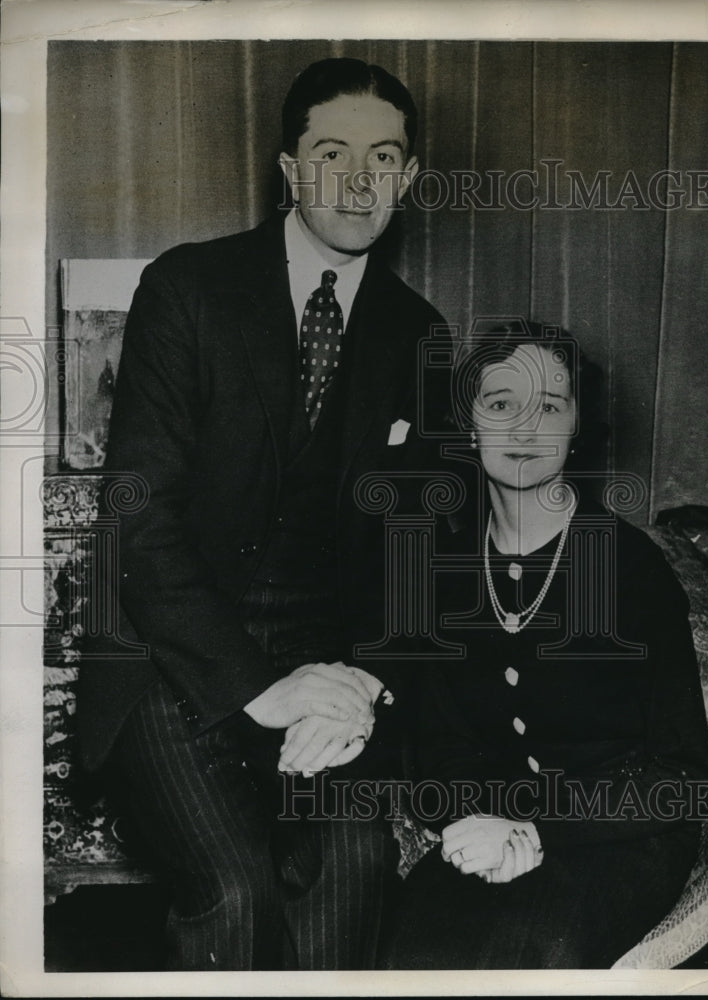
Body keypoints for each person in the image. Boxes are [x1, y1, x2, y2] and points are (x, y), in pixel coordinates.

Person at [77, 57, 445, 971]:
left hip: (324, 671)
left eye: (385, 158)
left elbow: (413, 555)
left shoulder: (419, 334)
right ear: (289, 170)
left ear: (406, 176)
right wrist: (256, 687)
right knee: (235, 887)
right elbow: (139, 518)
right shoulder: (189, 290)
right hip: (168, 663)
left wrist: (363, 688)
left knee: (356, 858)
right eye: (332, 154)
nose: (360, 181)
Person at [380, 321, 708, 969]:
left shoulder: (629, 569)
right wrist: (469, 825)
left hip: (621, 838)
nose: (526, 428)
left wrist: (537, 829)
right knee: (408, 950)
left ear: (574, 429)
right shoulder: (441, 570)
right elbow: (440, 748)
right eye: (501, 404)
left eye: (550, 406)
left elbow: (683, 777)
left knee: (537, 948)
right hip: (492, 829)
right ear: (468, 427)